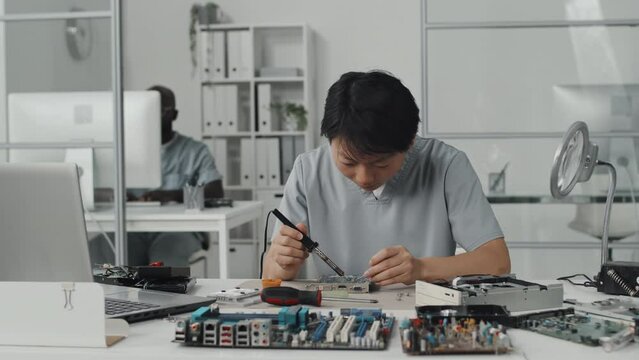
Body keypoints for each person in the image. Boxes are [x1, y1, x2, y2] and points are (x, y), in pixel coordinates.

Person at [262, 71, 510, 286]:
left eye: (380, 163)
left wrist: (421, 269)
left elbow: (497, 262)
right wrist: (281, 261)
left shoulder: (446, 165)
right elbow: (270, 275)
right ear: (329, 139)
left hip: (423, 316)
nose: (364, 177)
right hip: (338, 319)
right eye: (348, 162)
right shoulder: (308, 171)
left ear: (410, 140)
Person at [90, 85, 224, 267]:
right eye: (148, 110)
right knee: (101, 250)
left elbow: (215, 191)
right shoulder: (124, 150)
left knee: (163, 260)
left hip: (179, 230)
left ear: (174, 115)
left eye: (160, 110)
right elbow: (103, 187)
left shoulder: (195, 151)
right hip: (134, 228)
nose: (153, 115)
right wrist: (117, 195)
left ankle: (163, 296)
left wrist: (170, 195)